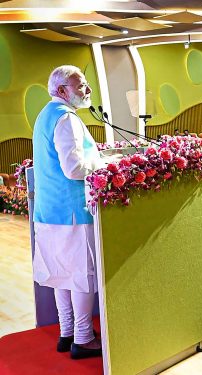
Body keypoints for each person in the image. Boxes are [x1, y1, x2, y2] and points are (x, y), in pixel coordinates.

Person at [32, 65, 104, 358]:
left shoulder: (44, 115)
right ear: (62, 91)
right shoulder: (66, 119)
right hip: (72, 211)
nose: (87, 91)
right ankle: (84, 338)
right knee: (81, 275)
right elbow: (74, 169)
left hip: (48, 211)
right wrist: (103, 166)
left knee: (61, 274)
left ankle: (67, 331)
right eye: (82, 85)